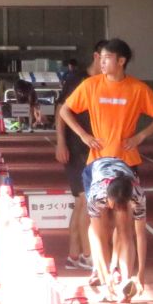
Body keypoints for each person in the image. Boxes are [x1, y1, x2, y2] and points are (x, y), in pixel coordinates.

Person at [60, 38, 153, 300]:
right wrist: (83, 135)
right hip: (96, 165)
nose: (102, 61)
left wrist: (140, 137)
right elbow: (65, 110)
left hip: (127, 163)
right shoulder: (91, 85)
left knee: (124, 224)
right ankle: (103, 271)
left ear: (121, 61)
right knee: (99, 224)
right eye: (100, 57)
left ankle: (123, 274)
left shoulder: (137, 89)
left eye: (107, 57)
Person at [54, 42, 106, 271]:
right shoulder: (78, 79)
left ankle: (73, 255)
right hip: (76, 149)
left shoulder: (104, 82)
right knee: (86, 200)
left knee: (80, 202)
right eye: (106, 58)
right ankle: (88, 255)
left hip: (93, 148)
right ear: (96, 56)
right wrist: (61, 142)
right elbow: (60, 110)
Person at [84, 157, 145, 302]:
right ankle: (105, 283)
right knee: (101, 231)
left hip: (123, 175)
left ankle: (126, 281)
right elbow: (98, 240)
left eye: (120, 206)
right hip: (93, 171)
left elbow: (140, 235)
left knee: (125, 231)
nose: (114, 209)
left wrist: (141, 274)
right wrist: (106, 276)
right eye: (113, 205)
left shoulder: (138, 195)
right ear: (108, 198)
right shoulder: (96, 195)